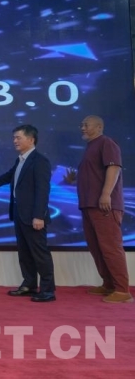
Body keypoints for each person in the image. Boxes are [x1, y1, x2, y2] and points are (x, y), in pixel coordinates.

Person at [0, 125, 55, 302]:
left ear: (31, 140)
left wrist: (39, 216)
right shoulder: (20, 160)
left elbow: (43, 191)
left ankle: (48, 291)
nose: (14, 141)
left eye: (18, 138)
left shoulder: (39, 161)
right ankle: (29, 285)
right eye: (14, 138)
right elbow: (7, 176)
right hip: (19, 213)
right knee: (24, 252)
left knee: (40, 254)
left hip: (33, 216)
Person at [63, 115, 132, 303]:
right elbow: (94, 176)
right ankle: (109, 284)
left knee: (110, 247)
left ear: (99, 127)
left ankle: (122, 290)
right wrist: (73, 181)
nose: (82, 128)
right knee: (96, 247)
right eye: (81, 124)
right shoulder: (91, 147)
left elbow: (114, 168)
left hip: (104, 206)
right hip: (89, 205)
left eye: (86, 125)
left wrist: (106, 194)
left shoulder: (106, 142)